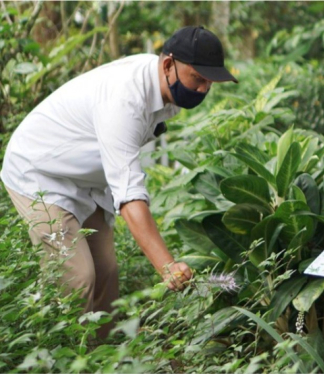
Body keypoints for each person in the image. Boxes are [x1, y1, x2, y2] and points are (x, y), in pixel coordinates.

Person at [0, 26, 237, 339]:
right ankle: (60, 355)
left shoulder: (160, 84)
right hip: (39, 174)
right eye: (198, 78)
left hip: (83, 179)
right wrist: (167, 266)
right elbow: (128, 194)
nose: (204, 89)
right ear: (168, 64)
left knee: (107, 272)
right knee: (78, 277)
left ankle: (99, 358)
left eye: (210, 82)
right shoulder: (125, 99)